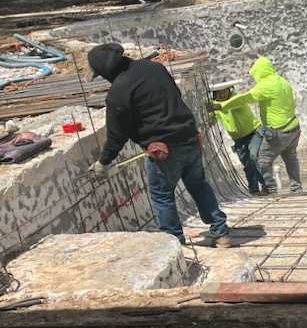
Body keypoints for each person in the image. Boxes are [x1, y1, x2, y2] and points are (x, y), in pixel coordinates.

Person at [87, 43, 231, 248]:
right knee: (199, 185)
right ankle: (221, 232)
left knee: (162, 196)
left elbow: (117, 135)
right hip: (190, 136)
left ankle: (174, 243)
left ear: (105, 70)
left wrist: (103, 162)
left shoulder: (118, 92)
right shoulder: (155, 68)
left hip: (163, 150)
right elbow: (176, 97)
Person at [213, 56, 301, 194]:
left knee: (262, 160)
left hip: (278, 130)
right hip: (294, 127)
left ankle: (270, 190)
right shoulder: (282, 81)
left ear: (260, 72)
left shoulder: (266, 85)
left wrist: (220, 105)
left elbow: (245, 98)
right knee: (291, 159)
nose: (255, 78)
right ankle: (296, 189)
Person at [208, 81, 266, 195]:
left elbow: (230, 104)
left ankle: (266, 185)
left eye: (225, 90)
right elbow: (212, 120)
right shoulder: (215, 105)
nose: (222, 94)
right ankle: (254, 190)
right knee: (247, 164)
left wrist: (216, 107)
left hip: (254, 132)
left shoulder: (236, 99)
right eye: (219, 92)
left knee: (253, 158)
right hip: (239, 139)